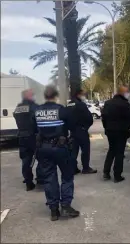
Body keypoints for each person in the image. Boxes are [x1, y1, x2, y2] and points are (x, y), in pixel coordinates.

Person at [35, 85, 79, 221]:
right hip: (60, 148)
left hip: (43, 148)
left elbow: (33, 129)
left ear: (45, 96)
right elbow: (73, 126)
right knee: (67, 176)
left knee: (49, 178)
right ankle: (65, 205)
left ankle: (54, 210)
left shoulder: (37, 111)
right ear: (55, 96)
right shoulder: (61, 110)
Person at [101, 85, 130, 182]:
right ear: (123, 93)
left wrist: (106, 128)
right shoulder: (125, 104)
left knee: (111, 150)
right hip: (121, 132)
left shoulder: (108, 103)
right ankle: (117, 176)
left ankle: (106, 172)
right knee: (119, 153)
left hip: (110, 131)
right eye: (127, 92)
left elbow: (104, 117)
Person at [13, 89, 44, 191]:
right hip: (33, 136)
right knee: (41, 158)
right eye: (32, 95)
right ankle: (40, 179)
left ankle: (28, 183)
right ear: (29, 96)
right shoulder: (34, 107)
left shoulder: (18, 107)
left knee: (26, 160)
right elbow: (38, 120)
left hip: (22, 136)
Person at [67, 89, 97, 174]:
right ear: (78, 95)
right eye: (83, 94)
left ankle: (73, 168)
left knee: (73, 151)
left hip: (72, 131)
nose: (84, 96)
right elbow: (89, 118)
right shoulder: (81, 104)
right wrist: (85, 128)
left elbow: (66, 117)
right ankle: (86, 168)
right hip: (81, 130)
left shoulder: (69, 104)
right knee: (85, 150)